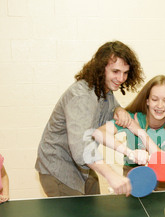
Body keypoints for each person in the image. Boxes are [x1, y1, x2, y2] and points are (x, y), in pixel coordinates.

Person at [35, 41, 144, 197]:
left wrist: (119, 109)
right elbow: (81, 148)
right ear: (101, 68)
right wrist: (111, 174)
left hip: (85, 167)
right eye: (115, 71)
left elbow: (112, 108)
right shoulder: (81, 96)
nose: (121, 78)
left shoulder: (105, 89)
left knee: (94, 215)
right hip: (59, 168)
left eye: (125, 72)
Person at [93, 75, 165, 190]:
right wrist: (130, 153)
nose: (160, 105)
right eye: (154, 99)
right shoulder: (131, 119)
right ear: (147, 100)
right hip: (137, 174)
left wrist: (141, 133)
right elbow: (98, 133)